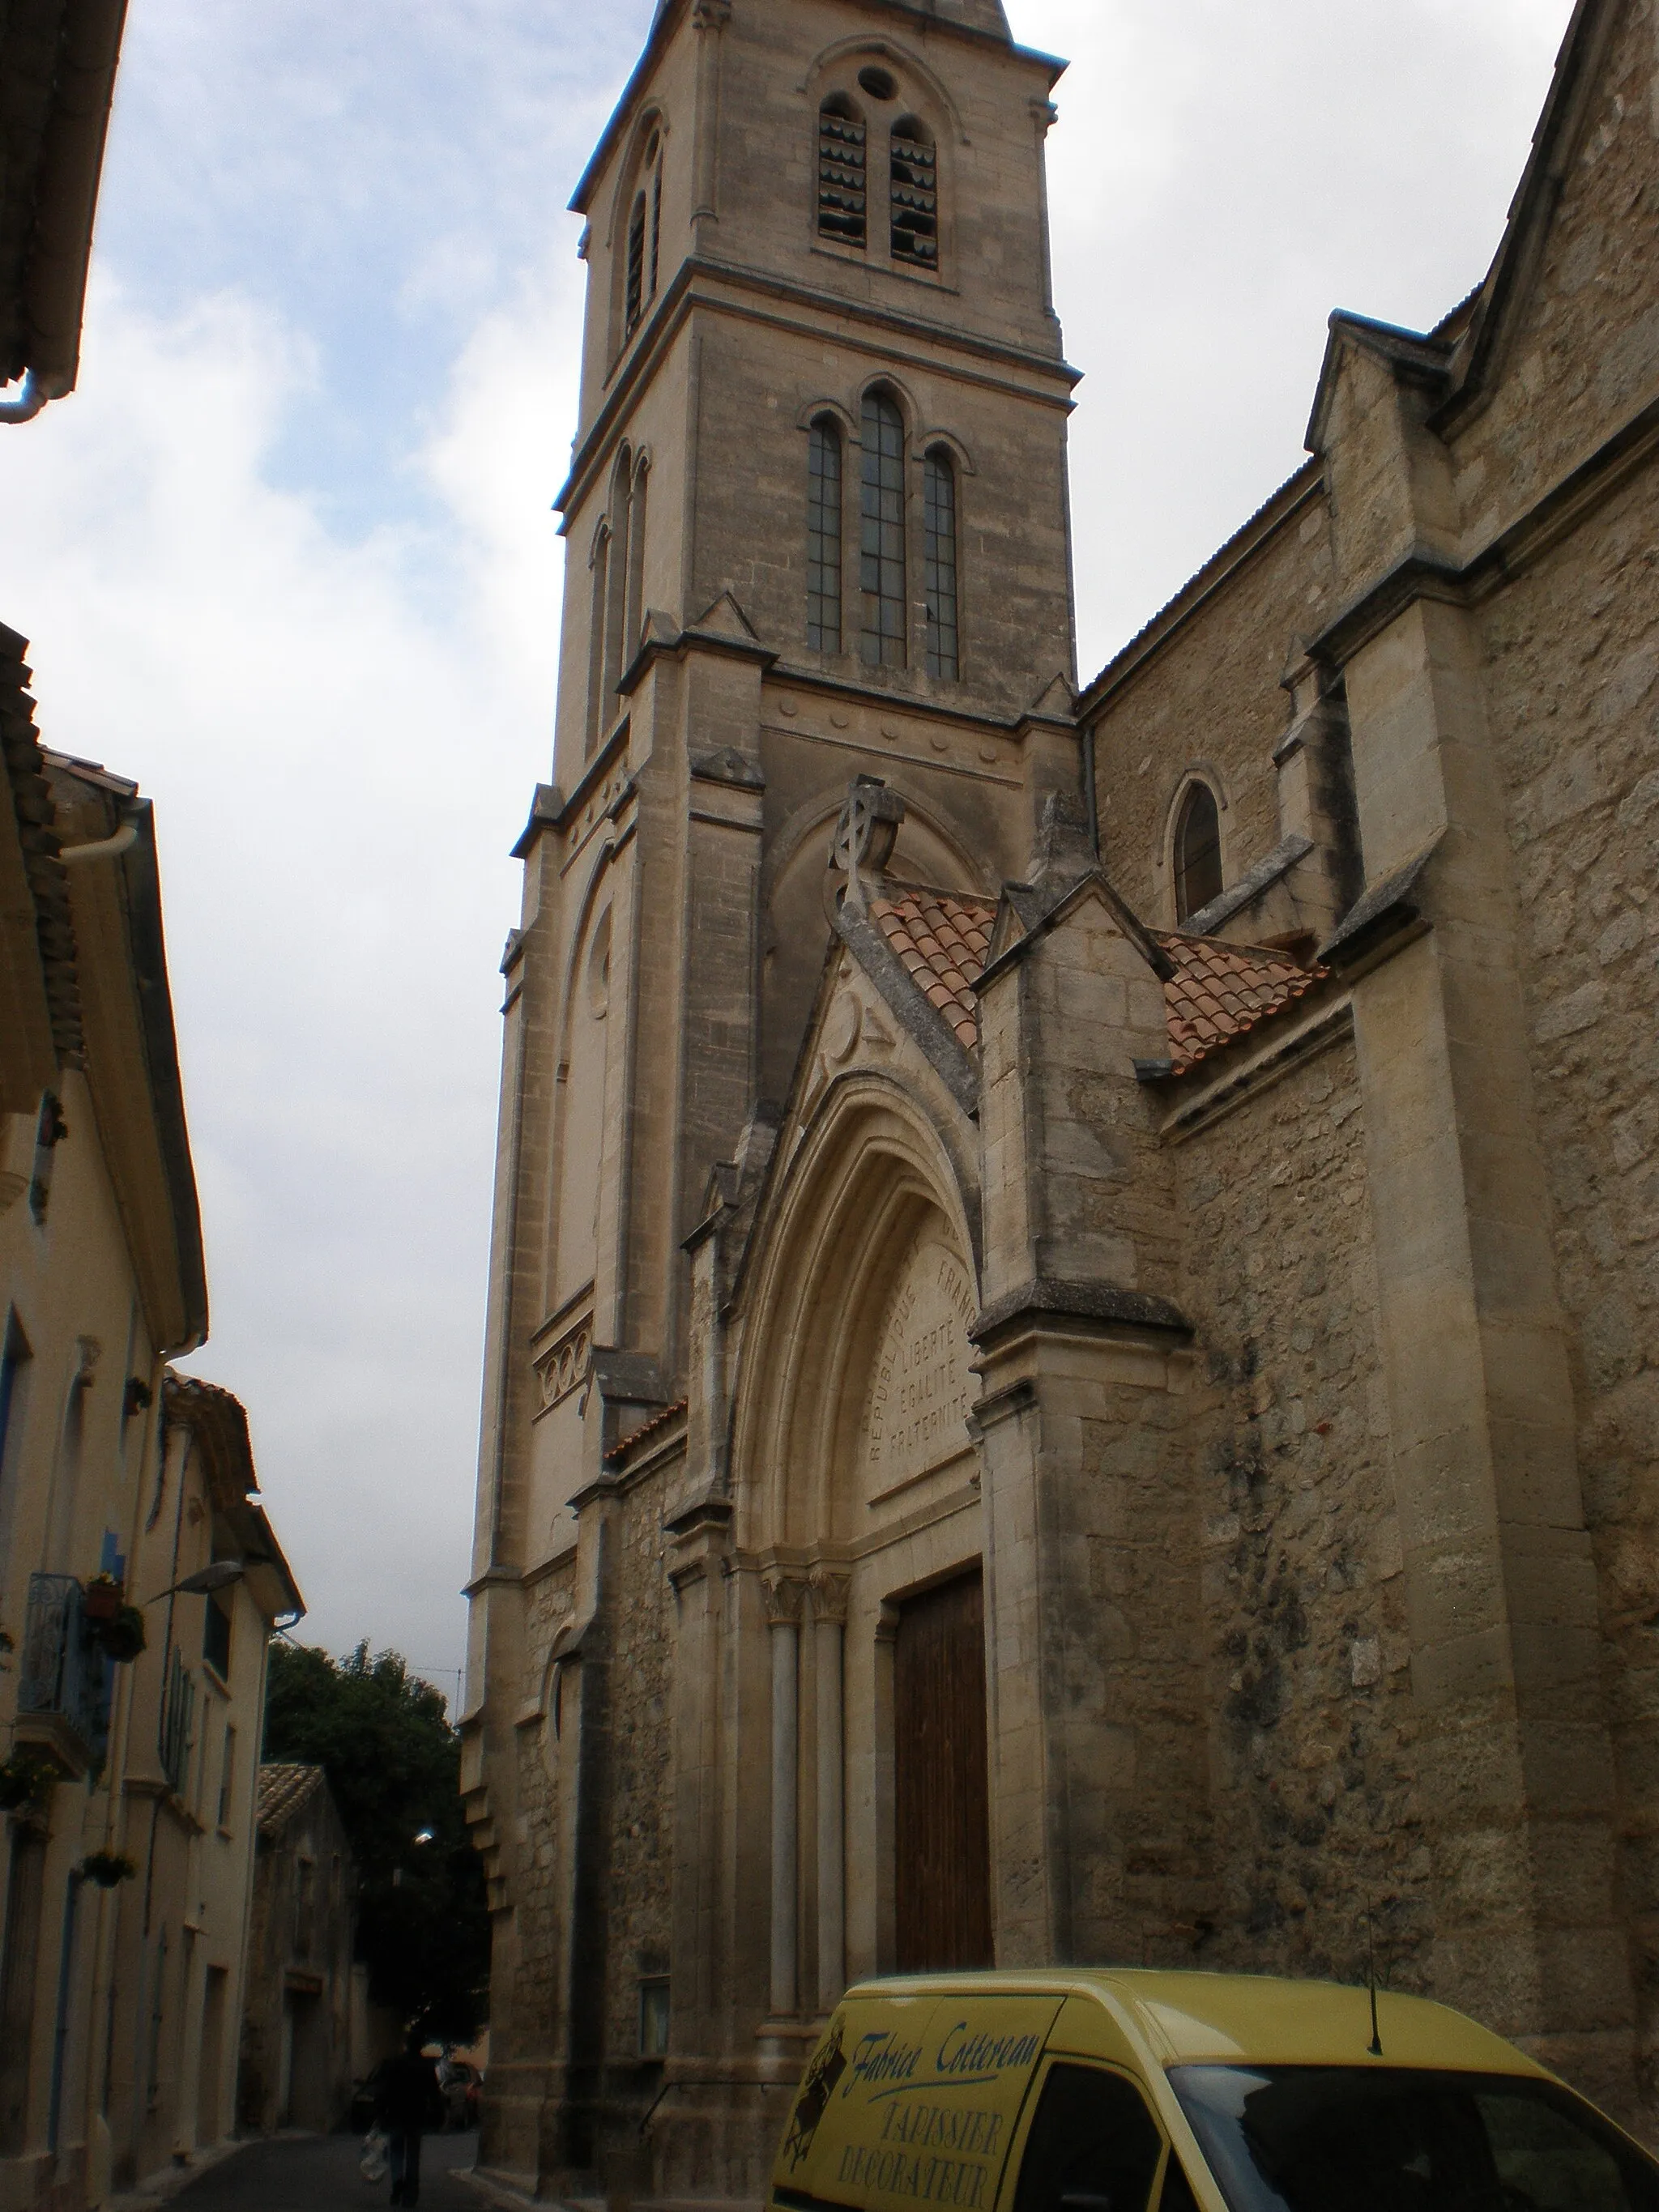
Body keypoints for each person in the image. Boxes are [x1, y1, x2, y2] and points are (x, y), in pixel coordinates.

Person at [375, 2031, 445, 2208]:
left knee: (396, 2151)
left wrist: (381, 2113)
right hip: (416, 2116)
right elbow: (434, 2094)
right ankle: (410, 2196)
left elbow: (383, 2091)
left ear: (406, 2044)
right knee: (413, 2156)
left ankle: (397, 2180)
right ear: (421, 2046)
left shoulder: (393, 2064)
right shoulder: (426, 2067)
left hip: (396, 2115)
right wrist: (439, 2114)